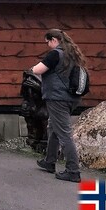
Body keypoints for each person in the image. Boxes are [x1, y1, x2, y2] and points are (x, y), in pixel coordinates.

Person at [30, 29, 85, 182]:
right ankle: (49, 161)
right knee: (53, 127)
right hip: (71, 98)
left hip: (57, 98)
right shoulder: (72, 54)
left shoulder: (56, 54)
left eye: (47, 41)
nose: (48, 45)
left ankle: (73, 170)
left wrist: (32, 69)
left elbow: (38, 70)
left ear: (54, 39)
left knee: (64, 133)